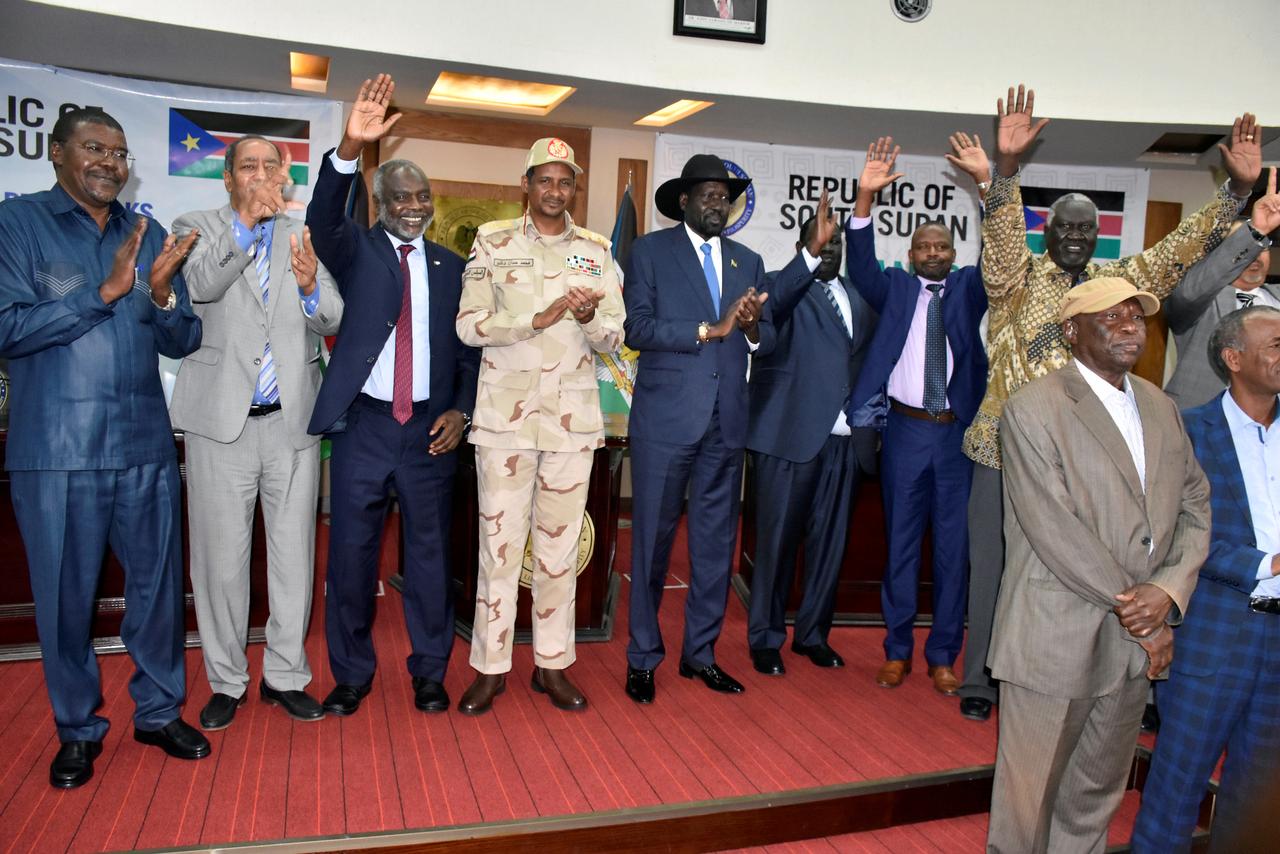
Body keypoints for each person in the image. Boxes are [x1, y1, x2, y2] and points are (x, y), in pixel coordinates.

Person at [956, 85, 1262, 723]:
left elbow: (1180, 249)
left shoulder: (1115, 284)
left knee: (1097, 568)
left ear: (1098, 237)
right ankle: (983, 680)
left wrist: (1236, 198)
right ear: (1050, 232)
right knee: (995, 566)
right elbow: (1004, 244)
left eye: (1085, 229)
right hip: (1002, 451)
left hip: (1090, 456)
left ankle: (1116, 672)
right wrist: (1006, 173)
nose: (1073, 236)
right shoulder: (1018, 281)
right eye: (1063, 227)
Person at [0, 107, 207, 788]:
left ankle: (157, 711)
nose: (110, 163)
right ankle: (77, 729)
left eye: (119, 153)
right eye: (94, 148)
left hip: (145, 443)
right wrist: (103, 293)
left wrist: (163, 294)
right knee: (64, 600)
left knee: (156, 591)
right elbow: (8, 330)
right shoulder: (17, 223)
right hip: (57, 450)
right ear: (58, 153)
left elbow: (181, 341)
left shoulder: (143, 233)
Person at [987, 278, 1211, 854]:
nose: (1128, 325)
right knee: (1027, 809)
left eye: (1135, 316)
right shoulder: (1034, 407)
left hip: (1130, 647)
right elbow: (1055, 531)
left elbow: (1195, 507)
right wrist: (1147, 616)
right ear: (1071, 331)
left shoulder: (1161, 406)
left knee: (1092, 802)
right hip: (1055, 637)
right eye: (1108, 317)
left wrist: (1167, 590)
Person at [306, 74, 479, 716]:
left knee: (430, 560)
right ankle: (351, 673)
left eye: (423, 195)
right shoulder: (354, 250)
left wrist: (461, 409)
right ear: (378, 201)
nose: (414, 204)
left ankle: (430, 671)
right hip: (365, 427)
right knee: (350, 557)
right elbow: (324, 216)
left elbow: (467, 352)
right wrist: (350, 145)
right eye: (401, 196)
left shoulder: (451, 268)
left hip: (430, 431)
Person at [170, 136, 343, 729]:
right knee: (221, 563)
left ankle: (285, 676)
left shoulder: (305, 232)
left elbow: (332, 316)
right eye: (250, 166)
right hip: (221, 424)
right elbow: (197, 288)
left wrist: (308, 287)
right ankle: (226, 680)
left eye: (272, 166)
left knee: (294, 559)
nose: (262, 174)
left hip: (292, 422)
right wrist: (246, 223)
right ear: (227, 178)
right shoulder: (195, 224)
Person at [454, 137, 624, 714]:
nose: (555, 191)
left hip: (571, 423)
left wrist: (589, 317)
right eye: (544, 180)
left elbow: (615, 337)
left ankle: (553, 665)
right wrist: (536, 318)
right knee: (498, 550)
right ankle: (490, 668)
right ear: (526, 185)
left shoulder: (597, 250)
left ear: (575, 188)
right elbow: (468, 325)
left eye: (565, 181)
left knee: (559, 551)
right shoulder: (493, 241)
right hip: (505, 422)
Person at [623, 153, 795, 703]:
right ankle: (644, 657)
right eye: (708, 195)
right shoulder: (650, 251)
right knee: (651, 543)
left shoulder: (749, 260)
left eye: (725, 196)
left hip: (727, 423)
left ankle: (700, 654)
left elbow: (765, 340)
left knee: (716, 548)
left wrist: (747, 330)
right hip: (666, 422)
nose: (718, 203)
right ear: (684, 201)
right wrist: (711, 328)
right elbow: (638, 327)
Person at [1131, 304, 1280, 853]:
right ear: (1233, 358)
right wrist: (1267, 566)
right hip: (1215, 637)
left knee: (1260, 799)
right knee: (1176, 790)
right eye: (1277, 343)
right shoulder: (1187, 430)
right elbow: (1171, 536)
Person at [844, 137, 989, 694]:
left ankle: (944, 654)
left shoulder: (971, 290)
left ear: (952, 254)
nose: (931, 252)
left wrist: (985, 187)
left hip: (956, 438)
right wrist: (864, 199)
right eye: (922, 245)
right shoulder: (896, 289)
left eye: (940, 246)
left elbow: (1001, 257)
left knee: (954, 552)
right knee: (901, 544)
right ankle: (897, 650)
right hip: (904, 431)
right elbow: (859, 263)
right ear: (910, 254)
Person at [745, 195, 880, 674]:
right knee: (777, 543)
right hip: (789, 435)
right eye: (821, 241)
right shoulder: (783, 289)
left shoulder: (859, 296)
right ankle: (764, 637)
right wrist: (805, 259)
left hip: (845, 440)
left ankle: (813, 634)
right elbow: (768, 314)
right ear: (804, 244)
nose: (830, 249)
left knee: (830, 545)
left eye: (837, 242)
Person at [1163, 173, 1279, 409]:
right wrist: (1254, 232)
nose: (1254, 256)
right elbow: (1189, 292)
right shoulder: (1200, 299)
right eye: (1246, 248)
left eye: (1262, 247)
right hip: (1202, 423)